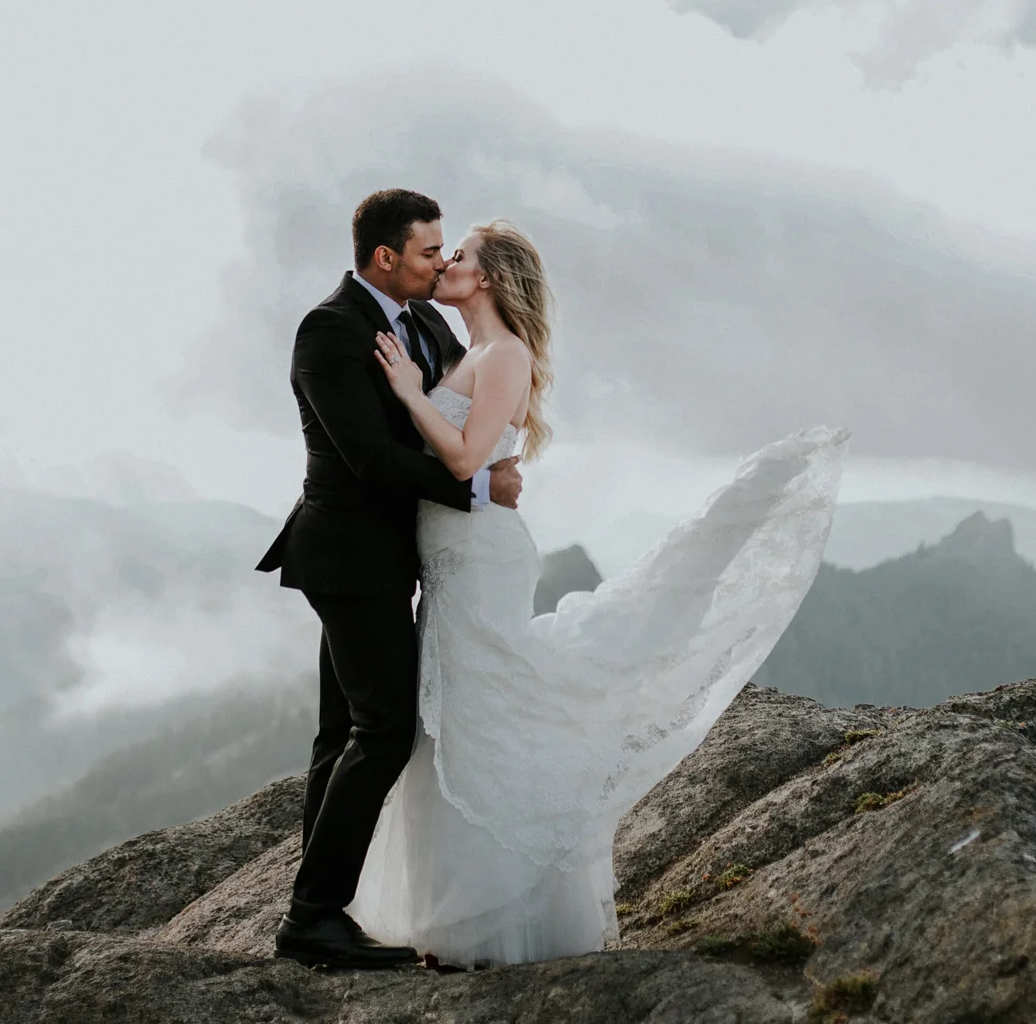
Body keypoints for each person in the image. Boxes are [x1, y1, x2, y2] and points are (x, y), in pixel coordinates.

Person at [348, 218, 845, 967]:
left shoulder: (505, 354)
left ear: (487, 277)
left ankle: (491, 918)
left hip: (480, 559)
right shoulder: (469, 351)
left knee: (481, 715)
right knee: (459, 716)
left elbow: (465, 460)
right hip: (451, 558)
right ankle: (463, 913)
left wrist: (411, 395)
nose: (446, 262)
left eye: (460, 254)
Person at [254, 189, 525, 970]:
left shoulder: (431, 325)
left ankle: (318, 908)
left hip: (398, 557)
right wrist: (480, 490)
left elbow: (456, 421)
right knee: (383, 730)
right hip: (347, 555)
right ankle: (313, 916)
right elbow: (371, 457)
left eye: (446, 250)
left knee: (342, 729)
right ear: (385, 256)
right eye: (428, 251)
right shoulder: (330, 330)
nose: (440, 262)